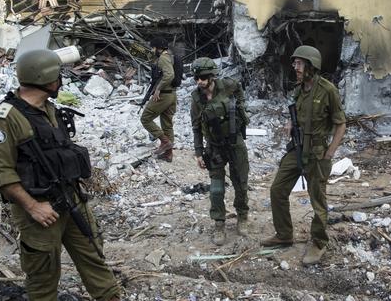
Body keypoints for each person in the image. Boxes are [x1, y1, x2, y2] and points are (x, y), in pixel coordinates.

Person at [0, 49, 121, 301]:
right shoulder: (4, 118)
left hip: (72, 201)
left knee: (95, 259)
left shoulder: (50, 110)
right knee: (42, 278)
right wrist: (33, 206)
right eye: (58, 75)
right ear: (45, 79)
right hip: (39, 211)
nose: (61, 80)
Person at [261, 45, 346, 265]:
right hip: (297, 148)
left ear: (310, 66)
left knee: (318, 201)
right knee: (277, 189)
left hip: (318, 153)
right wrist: (290, 123)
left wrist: (330, 153)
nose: (295, 67)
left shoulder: (327, 90)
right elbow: (297, 114)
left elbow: (341, 124)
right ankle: (284, 234)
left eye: (298, 64)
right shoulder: (299, 90)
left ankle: (318, 242)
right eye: (295, 63)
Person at [190, 57, 250, 246]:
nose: (199, 81)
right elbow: (196, 128)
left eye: (203, 77)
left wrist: (240, 111)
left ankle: (242, 216)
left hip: (234, 143)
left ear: (212, 76)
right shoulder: (197, 99)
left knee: (240, 181)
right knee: (216, 188)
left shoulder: (228, 86)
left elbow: (240, 91)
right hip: (214, 147)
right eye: (196, 78)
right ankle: (219, 223)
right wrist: (199, 152)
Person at [140, 37, 177, 162]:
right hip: (171, 94)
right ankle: (168, 154)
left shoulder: (163, 58)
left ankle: (165, 142)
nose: (152, 50)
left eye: (153, 48)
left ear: (158, 48)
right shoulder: (171, 57)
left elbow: (170, 75)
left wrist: (158, 89)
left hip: (164, 95)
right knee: (167, 124)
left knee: (145, 118)